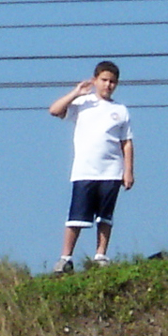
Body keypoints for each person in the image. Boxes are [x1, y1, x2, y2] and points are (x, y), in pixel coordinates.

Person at [50, 60, 134, 273]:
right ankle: (65, 257)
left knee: (105, 216)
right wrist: (76, 93)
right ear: (95, 80)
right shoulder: (83, 104)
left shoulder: (120, 110)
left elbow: (126, 142)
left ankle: (100, 255)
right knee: (76, 217)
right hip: (84, 170)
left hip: (111, 171)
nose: (108, 85)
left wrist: (128, 171)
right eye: (104, 80)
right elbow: (55, 110)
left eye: (112, 82)